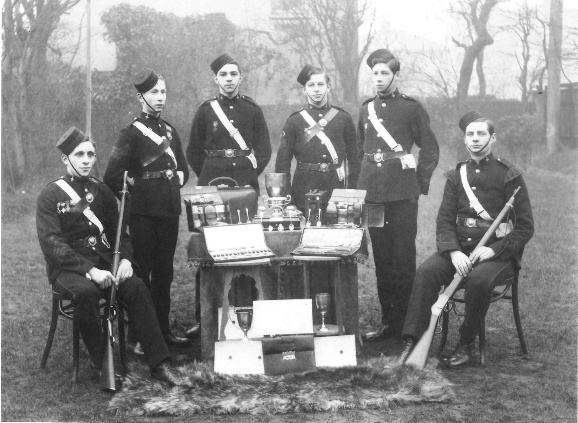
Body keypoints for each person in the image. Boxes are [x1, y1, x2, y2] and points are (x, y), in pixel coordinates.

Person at [37, 127, 177, 384]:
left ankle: (160, 363)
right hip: (68, 269)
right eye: (79, 155)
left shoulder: (102, 191)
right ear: (66, 159)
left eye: (91, 154)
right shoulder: (50, 195)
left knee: (136, 286)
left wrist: (124, 259)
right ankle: (101, 362)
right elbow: (52, 244)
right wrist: (90, 271)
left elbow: (119, 234)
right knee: (86, 293)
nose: (87, 159)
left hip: (105, 260)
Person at [399, 111, 534, 367]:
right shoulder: (455, 175)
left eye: (481, 133)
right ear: (464, 140)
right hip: (459, 251)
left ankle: (466, 342)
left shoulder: (509, 175)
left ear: (492, 138)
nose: (475, 139)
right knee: (427, 273)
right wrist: (453, 252)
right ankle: (413, 341)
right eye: (470, 134)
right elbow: (445, 220)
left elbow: (525, 226)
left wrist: (493, 251)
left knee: (479, 280)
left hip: (497, 255)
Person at [104, 69, 191, 347]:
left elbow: (184, 172)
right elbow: (111, 176)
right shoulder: (130, 133)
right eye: (154, 92)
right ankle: (138, 336)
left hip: (168, 213)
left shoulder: (170, 131)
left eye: (163, 92)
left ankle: (162, 332)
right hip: (142, 216)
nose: (160, 97)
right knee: (142, 277)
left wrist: (178, 178)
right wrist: (133, 198)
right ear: (141, 96)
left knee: (164, 275)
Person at [357, 49, 440, 341]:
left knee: (403, 259)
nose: (379, 79)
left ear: (395, 75)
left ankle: (409, 325)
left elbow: (430, 149)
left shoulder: (411, 108)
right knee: (382, 258)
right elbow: (358, 151)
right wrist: (360, 189)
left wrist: (418, 185)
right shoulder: (365, 108)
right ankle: (389, 322)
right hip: (374, 197)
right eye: (375, 74)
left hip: (403, 196)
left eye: (384, 74)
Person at [275, 64, 360, 211]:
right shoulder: (294, 121)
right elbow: (282, 163)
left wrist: (351, 192)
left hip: (336, 189)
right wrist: (288, 199)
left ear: (328, 87)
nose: (316, 89)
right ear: (304, 89)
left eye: (320, 84)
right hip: (304, 188)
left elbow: (354, 160)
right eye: (311, 85)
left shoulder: (343, 118)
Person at [187, 53, 271, 194]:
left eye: (233, 74)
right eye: (223, 74)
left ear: (240, 78)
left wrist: (250, 171)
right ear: (216, 79)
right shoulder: (205, 111)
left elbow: (264, 151)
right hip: (212, 179)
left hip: (245, 178)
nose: (229, 79)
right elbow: (193, 151)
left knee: (245, 216)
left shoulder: (252, 109)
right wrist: (208, 171)